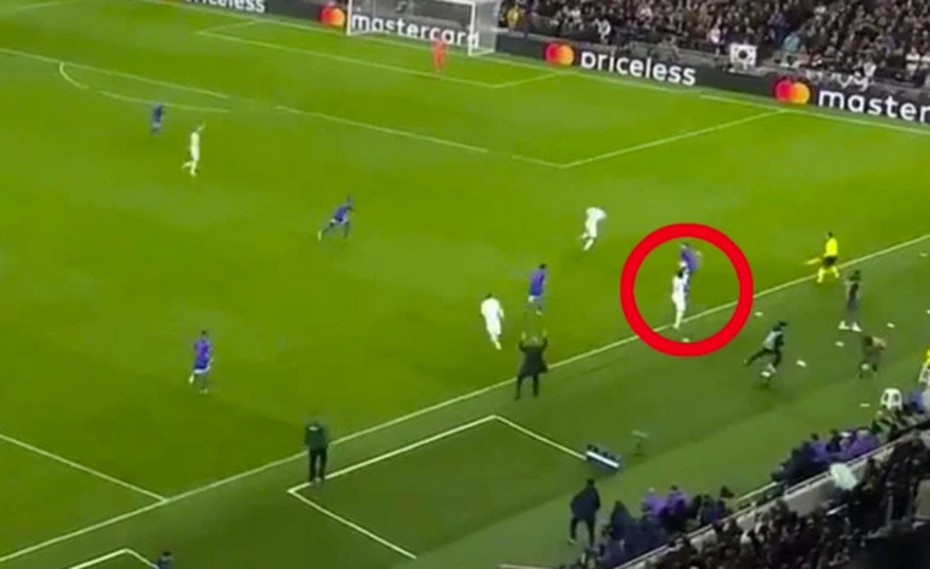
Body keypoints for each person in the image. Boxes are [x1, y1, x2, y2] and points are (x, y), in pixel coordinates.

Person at [569, 478, 601, 547]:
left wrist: (575, 510)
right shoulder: (595, 493)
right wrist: (593, 510)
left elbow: (574, 501)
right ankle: (591, 543)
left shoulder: (583, 492)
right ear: (594, 484)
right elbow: (598, 505)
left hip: (581, 513)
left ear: (587, 484)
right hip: (590, 515)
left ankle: (572, 538)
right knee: (591, 529)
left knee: (573, 523)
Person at [516, 331, 548, 399]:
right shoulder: (539, 349)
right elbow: (545, 345)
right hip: (536, 368)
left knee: (520, 377)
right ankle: (535, 392)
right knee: (535, 377)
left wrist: (522, 339)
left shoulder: (528, 349)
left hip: (527, 368)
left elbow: (520, 347)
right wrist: (544, 337)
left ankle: (518, 392)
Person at [305, 417, 330, 485]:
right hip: (321, 447)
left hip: (313, 447)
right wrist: (326, 444)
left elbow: (307, 437)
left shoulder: (308, 428)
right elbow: (325, 436)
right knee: (322, 462)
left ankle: (311, 478)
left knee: (312, 463)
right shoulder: (322, 428)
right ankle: (321, 476)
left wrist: (307, 444)